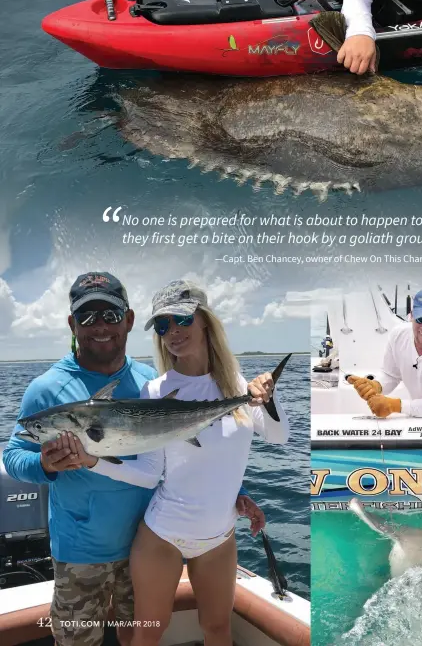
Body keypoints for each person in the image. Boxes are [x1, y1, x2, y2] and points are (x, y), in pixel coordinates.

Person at [2, 271, 264, 646]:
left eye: (109, 315)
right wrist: (45, 465)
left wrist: (236, 490)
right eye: (87, 317)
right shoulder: (46, 389)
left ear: (128, 320)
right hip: (81, 553)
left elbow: (178, 449)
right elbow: (14, 457)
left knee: (136, 639)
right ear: (72, 324)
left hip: (144, 545)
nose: (100, 327)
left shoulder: (151, 383)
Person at [348, 288, 422, 417]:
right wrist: (376, 386)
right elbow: (391, 375)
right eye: (420, 319)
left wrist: (394, 405)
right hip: (421, 414)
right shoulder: (398, 336)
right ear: (411, 316)